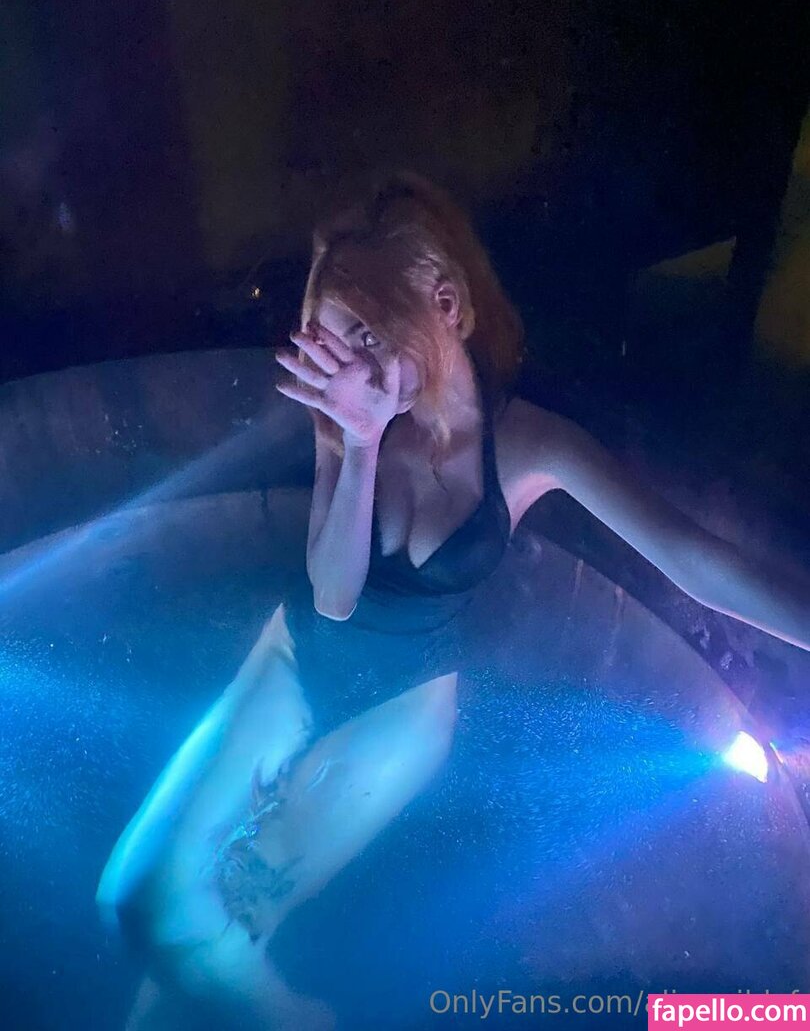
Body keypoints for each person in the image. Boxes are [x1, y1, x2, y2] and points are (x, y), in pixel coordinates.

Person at [96, 172, 810, 1029]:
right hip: (297, 651)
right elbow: (334, 595)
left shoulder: (531, 443)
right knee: (138, 900)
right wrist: (358, 443)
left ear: (446, 304)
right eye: (333, 342)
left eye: (366, 336)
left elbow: (695, 560)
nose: (348, 367)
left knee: (190, 921)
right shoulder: (350, 413)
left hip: (401, 708)